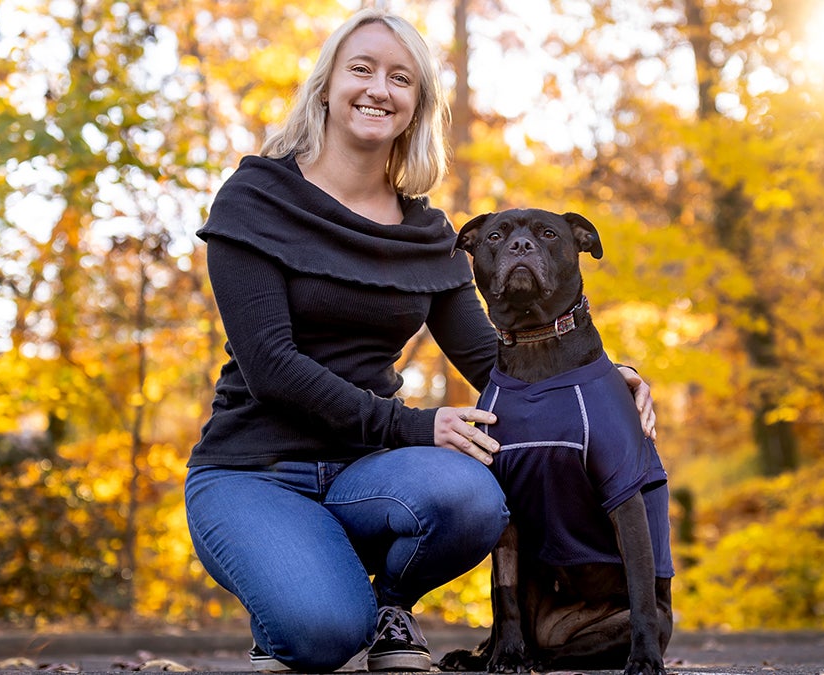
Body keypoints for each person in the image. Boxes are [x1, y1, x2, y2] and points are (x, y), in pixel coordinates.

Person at [184, 8, 657, 673]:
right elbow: (271, 366)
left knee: (474, 496)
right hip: (253, 470)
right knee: (321, 635)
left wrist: (602, 380)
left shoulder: (425, 233)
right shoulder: (256, 198)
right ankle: (299, 596)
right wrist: (415, 425)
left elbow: (496, 361)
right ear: (326, 85)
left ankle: (389, 604)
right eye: (362, 68)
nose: (379, 88)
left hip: (370, 474)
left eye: (400, 78)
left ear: (416, 106)